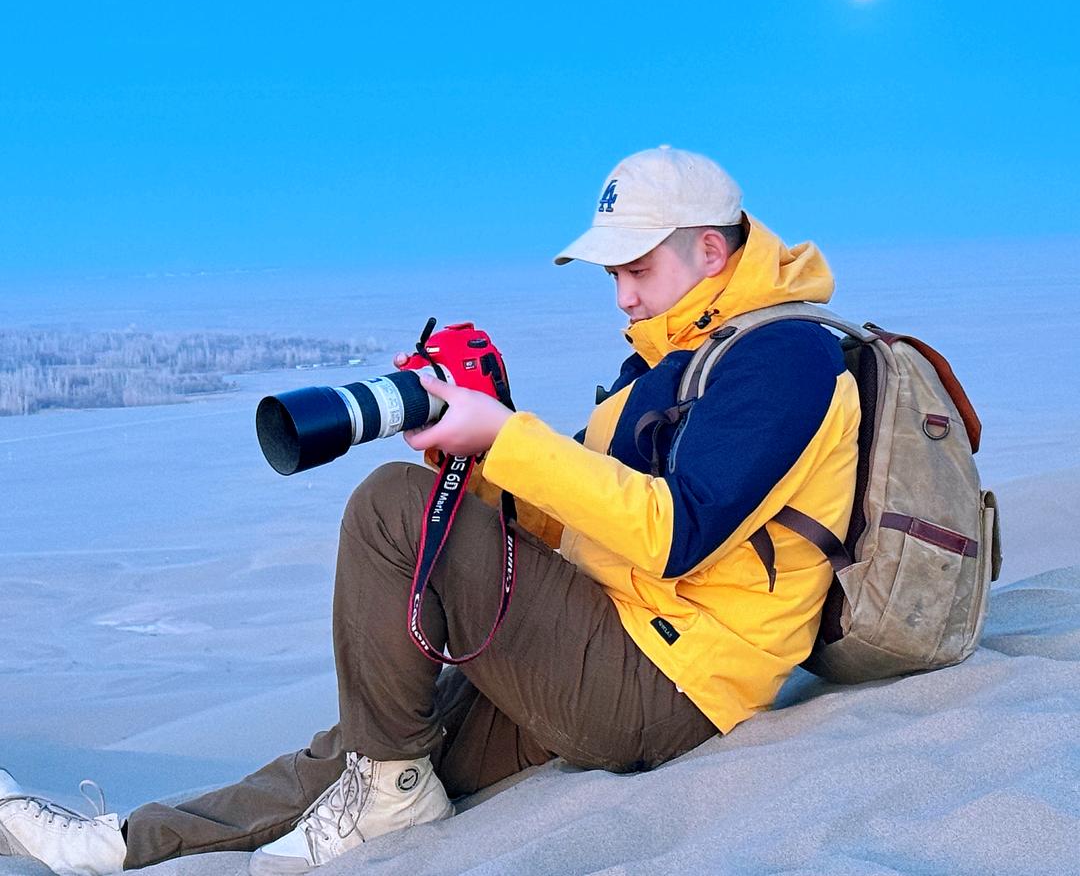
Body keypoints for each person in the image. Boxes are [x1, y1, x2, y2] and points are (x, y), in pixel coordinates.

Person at [0, 146, 861, 876]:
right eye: (614, 276)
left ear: (711, 251)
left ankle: (385, 802)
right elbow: (572, 525)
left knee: (391, 507)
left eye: (637, 271)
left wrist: (509, 434)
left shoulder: (783, 359)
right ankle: (120, 845)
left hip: (670, 684)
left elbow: (674, 534)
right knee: (371, 744)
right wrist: (478, 470)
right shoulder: (665, 363)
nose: (623, 298)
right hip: (608, 637)